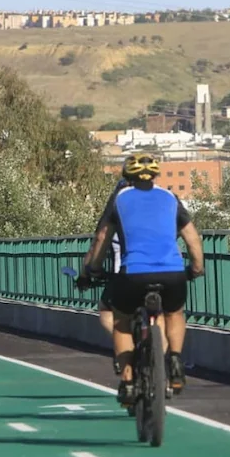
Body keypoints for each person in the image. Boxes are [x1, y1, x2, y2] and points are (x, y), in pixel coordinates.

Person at [87, 153, 204, 404]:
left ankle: (128, 381)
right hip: (172, 272)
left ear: (126, 176)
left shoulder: (120, 198)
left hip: (133, 274)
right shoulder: (170, 197)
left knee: (121, 321)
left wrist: (93, 269)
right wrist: (196, 267)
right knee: (174, 313)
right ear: (155, 175)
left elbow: (102, 238)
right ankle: (174, 359)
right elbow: (192, 237)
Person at [81, 176, 131, 372]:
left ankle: (126, 348)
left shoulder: (115, 216)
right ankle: (169, 359)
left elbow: (98, 244)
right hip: (165, 272)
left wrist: (89, 272)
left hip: (126, 274)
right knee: (168, 313)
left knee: (107, 311)